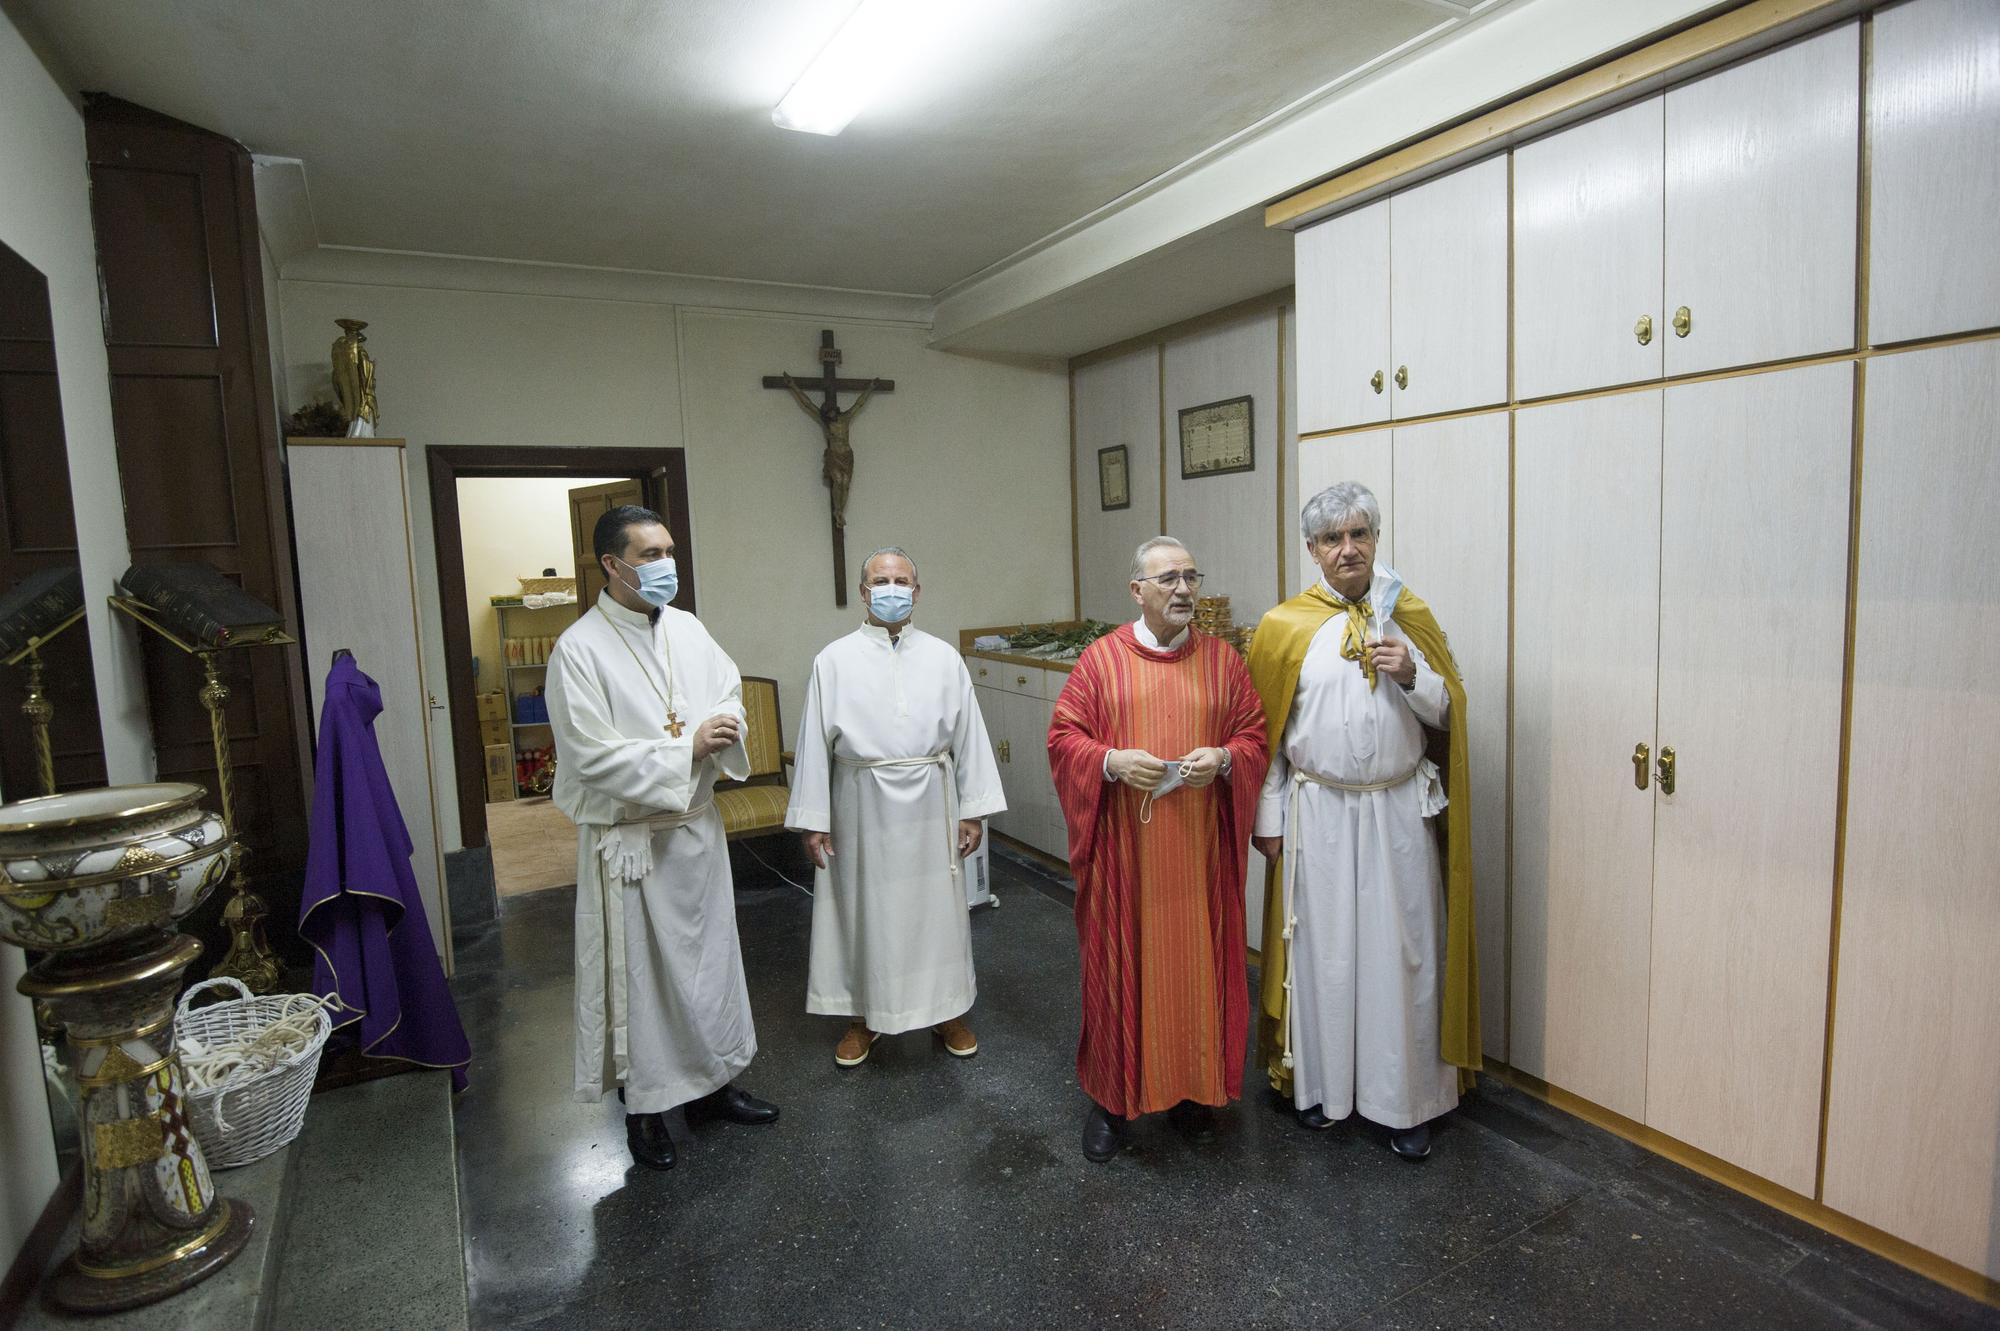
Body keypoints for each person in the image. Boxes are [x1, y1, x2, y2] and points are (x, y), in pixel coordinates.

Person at [1247, 481, 1479, 1160]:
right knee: (1326, 953)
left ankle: (1405, 1102)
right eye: (1332, 538)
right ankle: (1322, 1090)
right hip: (1315, 811)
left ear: (1376, 538)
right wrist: (1269, 818)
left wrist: (1414, 675)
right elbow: (1268, 731)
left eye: (1360, 534)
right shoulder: (1284, 625)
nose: (1348, 549)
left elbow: (1450, 716)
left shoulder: (1408, 615)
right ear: (1313, 550)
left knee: (1402, 956)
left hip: (1396, 810)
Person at [545, 504, 779, 1171]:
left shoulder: (688, 628)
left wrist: (725, 721)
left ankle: (712, 1088)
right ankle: (646, 1108)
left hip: (694, 836)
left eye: (669, 550)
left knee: (709, 972)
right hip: (633, 846)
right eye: (649, 554)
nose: (665, 565)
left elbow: (727, 689)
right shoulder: (579, 649)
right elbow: (590, 756)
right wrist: (687, 749)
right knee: (643, 985)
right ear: (611, 565)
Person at [1047, 537, 1269, 1162]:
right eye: (1167, 578)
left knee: (1196, 969)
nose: (1182, 589)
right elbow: (1064, 738)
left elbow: (1253, 734)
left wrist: (1225, 759)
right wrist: (1111, 761)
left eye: (1190, 577)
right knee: (1121, 968)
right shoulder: (1100, 662)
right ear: (1136, 590)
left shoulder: (1224, 662)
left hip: (1198, 854)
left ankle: (1195, 1092)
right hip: (1126, 857)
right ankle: (1111, 1104)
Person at [786, 547, 1006, 1066]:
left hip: (933, 800)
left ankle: (946, 1009)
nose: (891, 589)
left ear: (917, 590)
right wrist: (814, 819)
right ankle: (862, 1016)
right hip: (860, 803)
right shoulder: (833, 659)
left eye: (901, 580)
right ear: (863, 593)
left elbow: (970, 737)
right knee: (863, 911)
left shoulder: (943, 657)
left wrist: (972, 810)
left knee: (937, 913)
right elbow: (815, 744)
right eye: (880, 581)